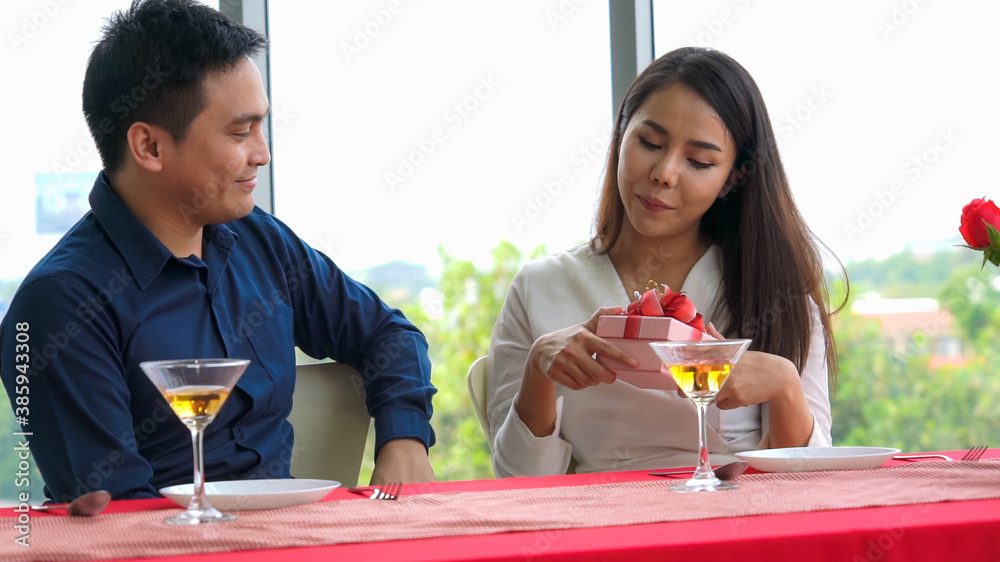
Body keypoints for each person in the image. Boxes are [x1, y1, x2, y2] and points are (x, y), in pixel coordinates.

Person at [0, 0, 436, 502]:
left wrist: (404, 438)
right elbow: (119, 519)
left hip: (298, 538)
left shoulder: (262, 242)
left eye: (261, 126)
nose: (263, 153)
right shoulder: (60, 305)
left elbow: (388, 334)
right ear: (150, 147)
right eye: (239, 132)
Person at [487, 47, 842, 477]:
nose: (666, 173)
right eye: (650, 143)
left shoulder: (774, 292)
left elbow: (814, 484)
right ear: (621, 134)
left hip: (735, 526)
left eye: (699, 161)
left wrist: (785, 386)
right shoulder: (539, 289)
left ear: (733, 177)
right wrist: (539, 371)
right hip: (599, 533)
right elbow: (515, 483)